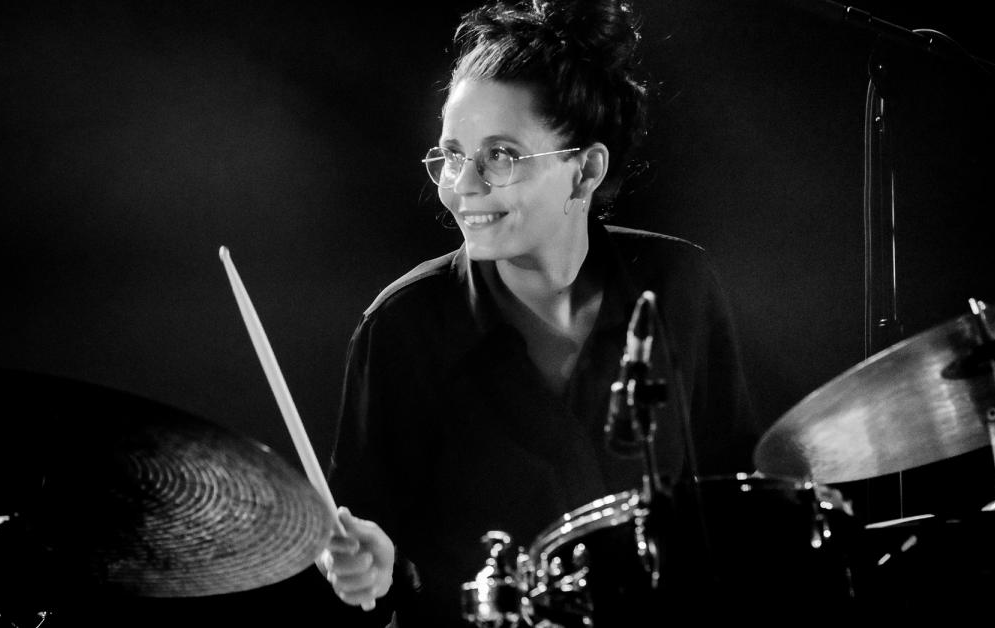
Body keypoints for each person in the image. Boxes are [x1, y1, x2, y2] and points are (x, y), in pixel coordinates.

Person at [318, 1, 759, 625]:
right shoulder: (402, 327)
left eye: (499, 155)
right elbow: (365, 576)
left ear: (585, 172)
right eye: (452, 154)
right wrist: (365, 571)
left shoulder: (679, 286)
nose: (462, 185)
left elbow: (737, 511)